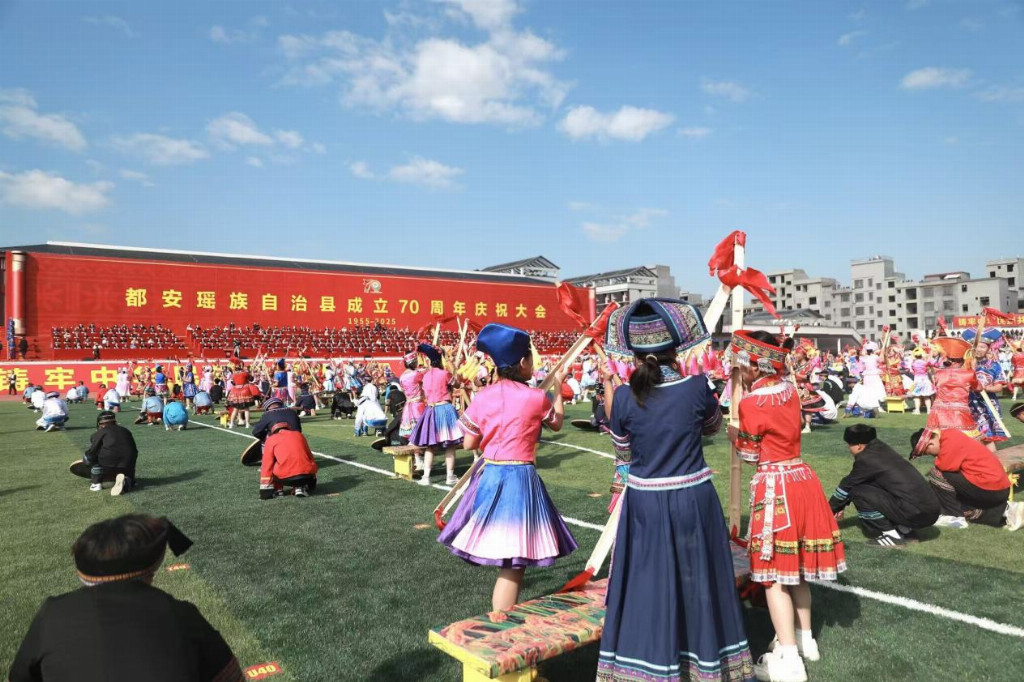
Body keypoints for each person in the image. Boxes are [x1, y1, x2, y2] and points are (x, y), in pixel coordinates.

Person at [594, 301, 754, 682]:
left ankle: (646, 663)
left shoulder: (625, 397)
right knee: (700, 581)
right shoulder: (696, 386)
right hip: (692, 497)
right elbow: (713, 426)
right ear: (675, 347)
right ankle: (705, 662)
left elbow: (623, 453)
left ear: (634, 353)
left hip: (646, 501)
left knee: (648, 583)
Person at [730, 329, 846, 682]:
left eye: (742, 365)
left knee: (773, 575)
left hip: (775, 485)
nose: (739, 371)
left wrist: (734, 435)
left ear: (755, 366)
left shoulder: (752, 403)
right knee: (796, 567)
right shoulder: (791, 390)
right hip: (802, 479)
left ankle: (789, 658)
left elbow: (749, 454)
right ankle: (805, 638)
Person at [438, 323, 577, 612]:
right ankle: (500, 621)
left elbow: (469, 442)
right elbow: (557, 423)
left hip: (490, 475)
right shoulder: (536, 397)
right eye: (531, 359)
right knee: (514, 561)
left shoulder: (484, 396)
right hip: (520, 480)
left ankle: (500, 617)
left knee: (508, 556)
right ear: (523, 362)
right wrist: (557, 388)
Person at [7, 514, 244, 682]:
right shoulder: (180, 614)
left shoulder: (53, 613)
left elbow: (19, 677)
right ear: (151, 568)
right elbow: (230, 678)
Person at [829, 424, 940, 547]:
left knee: (857, 491)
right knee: (867, 486)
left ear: (859, 445)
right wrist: (841, 504)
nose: (848, 448)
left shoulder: (867, 458)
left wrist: (826, 512)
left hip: (918, 513)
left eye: (849, 444)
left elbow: (847, 486)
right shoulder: (881, 448)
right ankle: (906, 531)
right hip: (929, 510)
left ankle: (892, 537)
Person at [911, 428, 1023, 530]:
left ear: (930, 444)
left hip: (991, 487)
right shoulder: (949, 435)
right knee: (962, 507)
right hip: (996, 487)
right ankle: (1008, 510)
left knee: (936, 474)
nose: (932, 456)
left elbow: (944, 466)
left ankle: (953, 516)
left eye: (926, 453)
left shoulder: (950, 441)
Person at [409, 343, 463, 486]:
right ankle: (450, 476)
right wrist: (454, 372)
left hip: (431, 410)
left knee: (430, 446)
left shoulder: (425, 376)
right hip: (445, 409)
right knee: (450, 445)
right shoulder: (445, 373)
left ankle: (426, 477)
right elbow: (457, 385)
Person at [962, 327, 1009, 450]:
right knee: (969, 439)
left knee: (988, 438)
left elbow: (999, 387)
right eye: (976, 346)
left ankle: (992, 461)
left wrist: (984, 388)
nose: (978, 349)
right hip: (968, 405)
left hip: (987, 405)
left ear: (988, 348)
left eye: (982, 347)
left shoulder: (994, 365)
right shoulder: (964, 364)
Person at [926, 337, 981, 438]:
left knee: (939, 441)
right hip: (959, 413)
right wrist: (973, 369)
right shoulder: (969, 374)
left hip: (939, 413)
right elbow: (979, 388)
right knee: (963, 441)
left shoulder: (939, 373)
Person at [81, 411, 139, 494]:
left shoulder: (100, 432)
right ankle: (130, 480)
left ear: (101, 424)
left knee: (90, 457)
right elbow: (134, 450)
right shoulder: (126, 430)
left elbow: (92, 452)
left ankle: (96, 484)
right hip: (128, 465)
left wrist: (86, 458)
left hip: (108, 465)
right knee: (129, 455)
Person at [259, 422, 318, 498]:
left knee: (272, 464)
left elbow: (267, 465)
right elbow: (310, 457)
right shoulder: (299, 435)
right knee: (306, 462)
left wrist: (265, 492)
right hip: (307, 476)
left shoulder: (271, 440)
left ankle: (278, 489)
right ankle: (300, 487)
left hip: (285, 478)